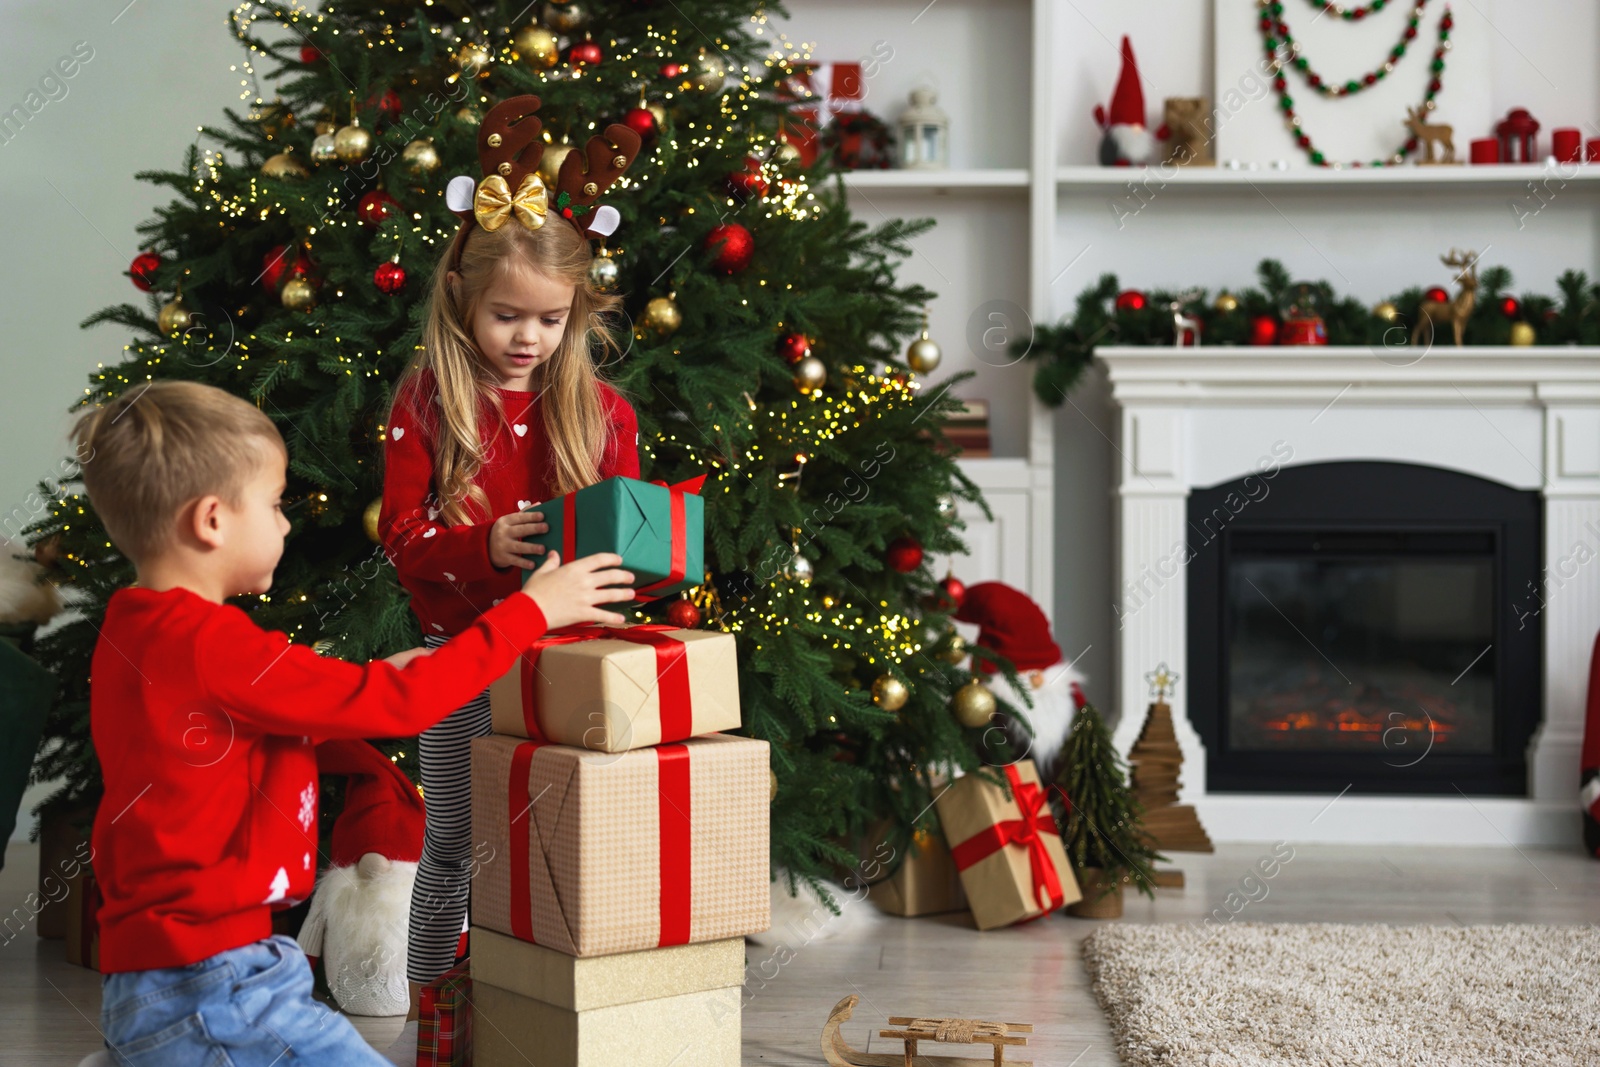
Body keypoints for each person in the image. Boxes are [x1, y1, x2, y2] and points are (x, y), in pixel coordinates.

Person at [78, 380, 633, 1066]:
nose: (286, 524)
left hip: (174, 969)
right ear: (212, 520)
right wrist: (532, 612)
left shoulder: (137, 630)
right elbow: (399, 706)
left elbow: (247, 727)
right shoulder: (217, 644)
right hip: (212, 977)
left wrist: (383, 676)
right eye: (275, 505)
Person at [376, 93, 643, 1052]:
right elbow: (402, 537)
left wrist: (637, 575)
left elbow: (629, 542)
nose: (527, 338)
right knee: (451, 842)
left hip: (566, 665)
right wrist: (480, 548)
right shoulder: (430, 399)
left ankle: (548, 1012)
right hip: (459, 660)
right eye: (505, 316)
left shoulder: (602, 412)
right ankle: (433, 1014)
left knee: (559, 848)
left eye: (548, 319)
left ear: (575, 313)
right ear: (462, 297)